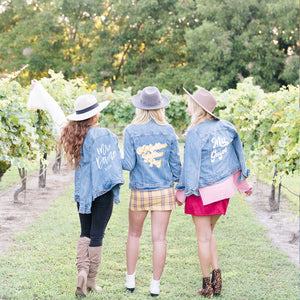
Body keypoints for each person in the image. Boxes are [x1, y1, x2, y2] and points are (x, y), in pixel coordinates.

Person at [175, 87, 252, 298]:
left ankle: (207, 285)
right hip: (224, 190)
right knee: (209, 234)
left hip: (202, 192)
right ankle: (218, 280)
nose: (188, 107)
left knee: (202, 238)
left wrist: (181, 191)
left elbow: (190, 167)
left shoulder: (195, 133)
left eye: (191, 104)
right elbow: (236, 156)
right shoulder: (227, 127)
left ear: (197, 108)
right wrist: (242, 183)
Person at [59, 94, 124, 297]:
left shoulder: (74, 136)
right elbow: (116, 163)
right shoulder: (107, 135)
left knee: (84, 232)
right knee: (97, 235)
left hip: (83, 193)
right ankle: (92, 280)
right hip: (103, 192)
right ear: (95, 115)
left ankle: (82, 272)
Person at [122, 86, 182, 297]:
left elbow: (128, 165)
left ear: (139, 108)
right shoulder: (168, 130)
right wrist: (180, 186)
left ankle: (130, 280)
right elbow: (176, 166)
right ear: (160, 108)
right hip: (163, 190)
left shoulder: (130, 131)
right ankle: (155, 284)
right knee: (159, 239)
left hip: (139, 190)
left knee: (134, 234)